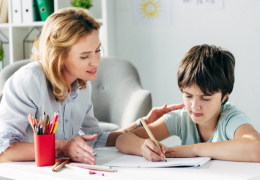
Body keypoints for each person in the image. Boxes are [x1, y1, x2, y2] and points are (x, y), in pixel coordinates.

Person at [0, 7, 184, 164]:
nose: (96, 62)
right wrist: (63, 147)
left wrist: (141, 124)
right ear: (59, 56)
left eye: (97, 51)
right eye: (84, 56)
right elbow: (4, 151)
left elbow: (95, 139)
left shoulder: (82, 85)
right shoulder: (29, 81)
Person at [116, 44, 260, 162]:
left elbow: (256, 148)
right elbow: (122, 140)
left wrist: (193, 149)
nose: (194, 106)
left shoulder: (230, 118)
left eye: (205, 98)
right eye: (188, 95)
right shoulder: (181, 118)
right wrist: (143, 146)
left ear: (224, 97)